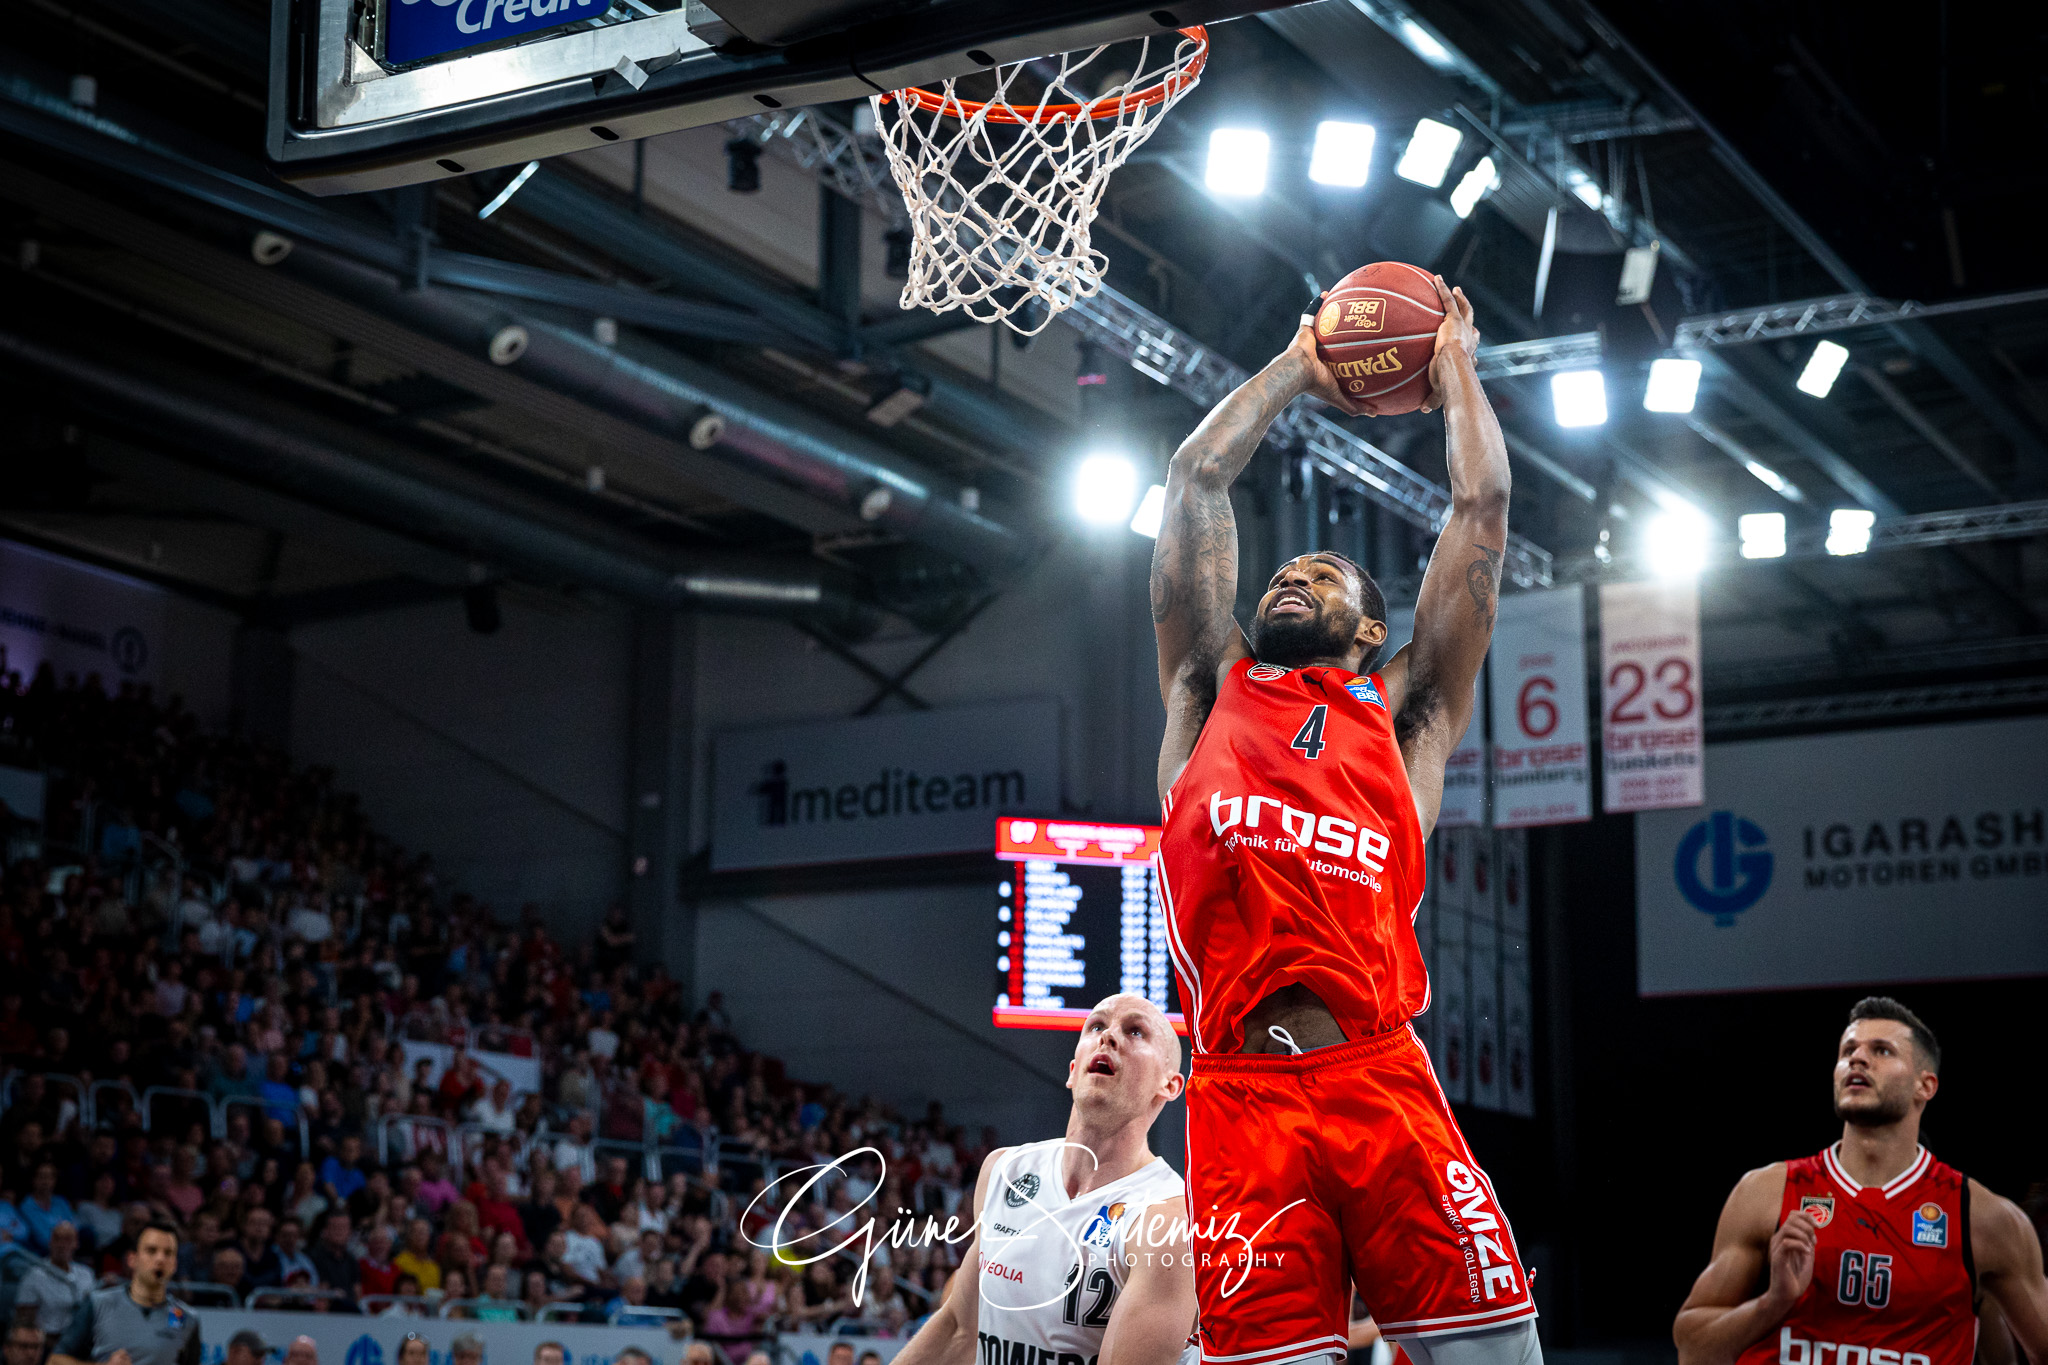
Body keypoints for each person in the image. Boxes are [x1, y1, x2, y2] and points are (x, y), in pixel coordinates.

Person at [1150, 277, 1537, 1363]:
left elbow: (1480, 514)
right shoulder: (1204, 688)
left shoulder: (1405, 715)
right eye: (1281, 572)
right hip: (1235, 1098)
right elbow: (1192, 479)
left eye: (1319, 575)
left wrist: (1450, 358)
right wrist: (1295, 368)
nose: (1289, 577)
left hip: (1378, 1080)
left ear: (1371, 629)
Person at [1673, 997, 2048, 1364]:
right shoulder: (1766, 1193)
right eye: (1847, 1049)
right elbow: (1693, 1350)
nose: (1857, 1058)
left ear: (1926, 1086)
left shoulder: (1984, 1219)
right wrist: (1774, 1303)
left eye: (1882, 1051)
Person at [888, 994, 1192, 1365]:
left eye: (1135, 1031)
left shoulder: (1169, 1220)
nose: (1109, 1036)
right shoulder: (1005, 1170)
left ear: (1170, 1086)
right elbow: (959, 1328)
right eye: (1097, 1026)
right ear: (1072, 1068)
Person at [49, 1219, 201, 1365]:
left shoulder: (186, 1318)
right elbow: (55, 1361)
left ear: (174, 1264)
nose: (160, 1259)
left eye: (168, 1253)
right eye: (151, 1250)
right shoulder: (99, 1304)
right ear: (132, 1259)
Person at [17, 1221, 96, 1334]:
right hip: (48, 1339)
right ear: (50, 1242)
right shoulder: (34, 1275)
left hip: (81, 1339)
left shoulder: (86, 1274)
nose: (62, 1245)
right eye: (57, 1239)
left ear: (76, 1244)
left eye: (68, 1239)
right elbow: (24, 1319)